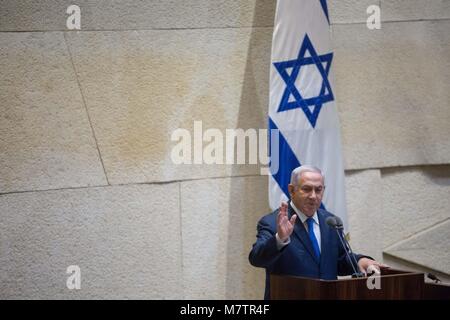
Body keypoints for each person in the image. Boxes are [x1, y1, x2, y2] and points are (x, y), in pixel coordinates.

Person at [249, 165, 387, 299]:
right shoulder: (272, 223)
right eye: (307, 189)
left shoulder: (330, 221)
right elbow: (256, 258)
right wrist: (280, 239)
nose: (313, 196)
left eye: (318, 190)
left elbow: (340, 260)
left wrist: (359, 261)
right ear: (292, 190)